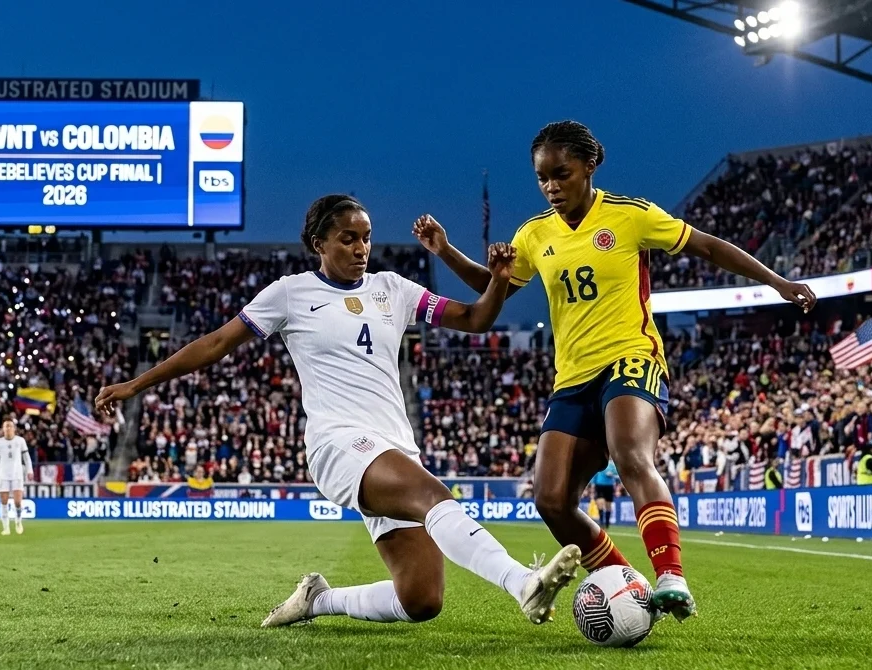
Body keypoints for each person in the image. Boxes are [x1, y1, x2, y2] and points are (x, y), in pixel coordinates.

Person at [96, 194, 582, 629]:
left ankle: (318, 600)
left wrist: (495, 281)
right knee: (432, 494)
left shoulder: (394, 288)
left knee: (421, 599)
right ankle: (523, 583)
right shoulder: (289, 293)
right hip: (338, 444)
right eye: (347, 238)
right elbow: (217, 343)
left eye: (366, 238)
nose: (360, 248)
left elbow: (476, 319)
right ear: (318, 243)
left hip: (395, 447)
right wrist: (137, 384)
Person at [414, 121, 817, 621]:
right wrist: (447, 251)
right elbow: (492, 288)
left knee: (630, 455)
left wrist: (776, 281)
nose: (552, 186)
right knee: (551, 500)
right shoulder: (535, 234)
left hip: (631, 357)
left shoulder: (631, 216)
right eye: (543, 178)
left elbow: (708, 247)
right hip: (572, 377)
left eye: (561, 174)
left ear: (589, 166)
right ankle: (626, 586)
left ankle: (671, 575)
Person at [0, 419, 34, 536]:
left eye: (10, 426)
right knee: (4, 502)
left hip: (17, 474)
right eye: (6, 426)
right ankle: (6, 527)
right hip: (3, 475)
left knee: (17, 502)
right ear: (3, 429)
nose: (8, 428)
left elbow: (26, 457)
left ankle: (18, 522)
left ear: (14, 428)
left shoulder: (20, 441)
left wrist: (29, 470)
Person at [591, 461, 618, 530]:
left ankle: (607, 523)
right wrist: (593, 487)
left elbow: (617, 475)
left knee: (608, 505)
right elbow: (594, 475)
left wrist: (612, 475)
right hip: (599, 485)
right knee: (600, 503)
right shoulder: (599, 464)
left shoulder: (612, 465)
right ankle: (601, 522)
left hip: (609, 486)